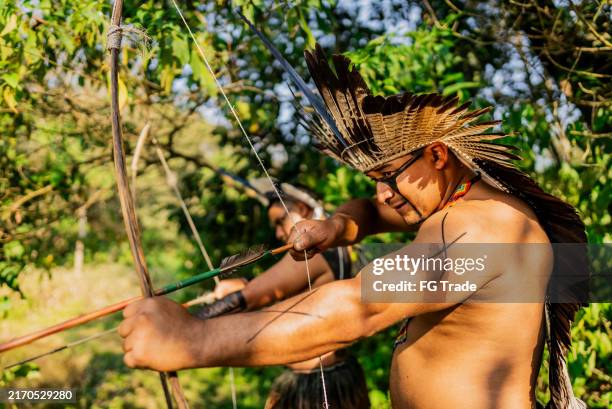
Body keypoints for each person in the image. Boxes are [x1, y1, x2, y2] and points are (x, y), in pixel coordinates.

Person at [118, 45, 588, 409]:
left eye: (388, 177)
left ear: (438, 155)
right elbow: (368, 208)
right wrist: (338, 226)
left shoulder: (484, 232)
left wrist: (190, 341)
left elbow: (358, 308)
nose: (384, 194)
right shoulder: (453, 206)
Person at [196, 180, 369, 409]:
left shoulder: (313, 253)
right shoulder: (335, 248)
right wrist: (246, 284)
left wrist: (189, 325)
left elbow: (254, 296)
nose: (278, 233)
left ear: (303, 210)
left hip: (314, 386)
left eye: (281, 221)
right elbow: (277, 286)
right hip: (335, 377)